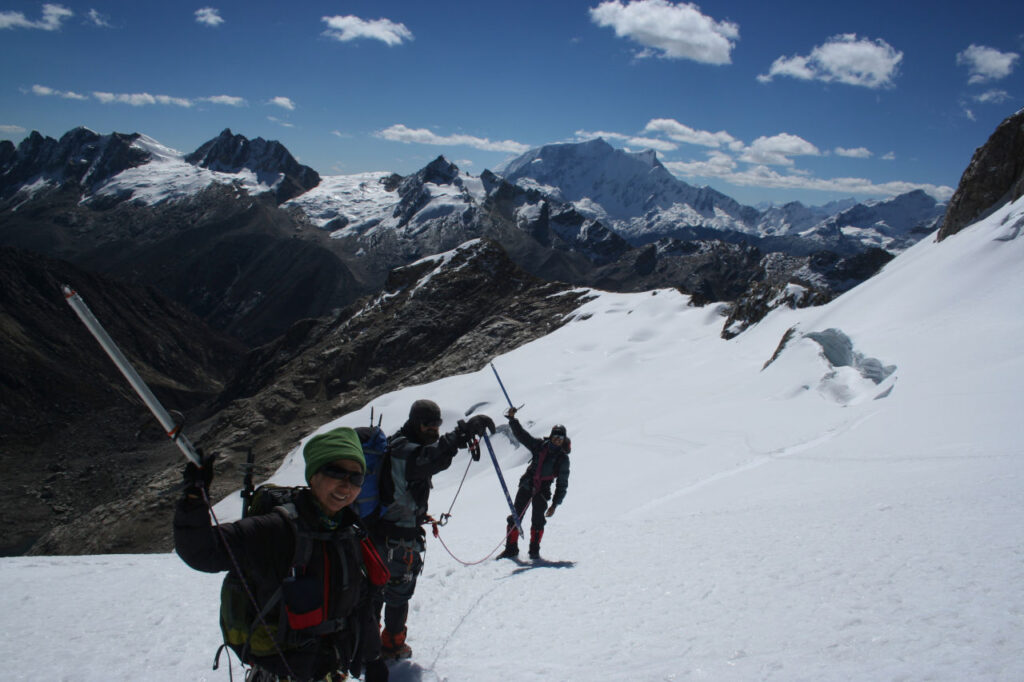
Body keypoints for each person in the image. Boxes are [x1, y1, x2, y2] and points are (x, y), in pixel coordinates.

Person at [174, 427, 389, 682]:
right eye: (336, 472)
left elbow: (359, 604)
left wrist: (373, 658)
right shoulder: (277, 528)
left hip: (328, 666)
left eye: (356, 478)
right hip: (281, 670)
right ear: (314, 475)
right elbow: (202, 551)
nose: (347, 484)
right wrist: (193, 499)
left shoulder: (349, 532)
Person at [371, 399, 494, 660]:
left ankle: (364, 645)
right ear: (416, 422)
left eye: (437, 424)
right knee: (395, 595)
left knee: (374, 593)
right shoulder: (406, 450)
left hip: (382, 534)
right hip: (397, 541)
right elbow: (432, 458)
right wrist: (461, 434)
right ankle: (390, 645)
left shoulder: (400, 444)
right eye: (429, 424)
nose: (434, 429)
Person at [498, 407, 571, 560]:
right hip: (527, 484)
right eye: (556, 436)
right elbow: (522, 436)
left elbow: (562, 484)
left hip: (542, 491)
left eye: (561, 438)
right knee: (515, 516)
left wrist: (555, 505)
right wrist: (513, 420)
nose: (558, 439)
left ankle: (534, 551)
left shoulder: (562, 459)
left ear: (564, 440)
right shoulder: (539, 446)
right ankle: (511, 549)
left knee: (538, 521)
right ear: (551, 436)